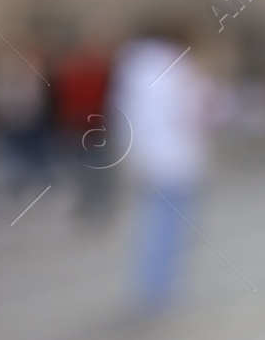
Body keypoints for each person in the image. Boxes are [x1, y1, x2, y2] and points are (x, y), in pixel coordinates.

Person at [114, 23, 211, 311]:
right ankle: (161, 286)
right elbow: (195, 112)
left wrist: (130, 156)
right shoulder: (180, 71)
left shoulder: (133, 69)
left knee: (153, 222)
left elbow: (123, 117)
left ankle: (152, 285)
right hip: (178, 158)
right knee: (169, 225)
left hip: (148, 158)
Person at [52, 35, 115, 220]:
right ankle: (86, 205)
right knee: (81, 171)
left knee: (97, 171)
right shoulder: (73, 73)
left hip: (95, 128)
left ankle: (97, 205)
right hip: (77, 128)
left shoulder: (101, 73)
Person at [0, 42, 53, 198]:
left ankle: (38, 192)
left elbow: (35, 96)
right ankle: (15, 191)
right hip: (12, 122)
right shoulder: (4, 72)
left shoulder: (31, 71)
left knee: (36, 161)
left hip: (30, 122)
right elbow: (0, 97)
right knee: (13, 160)